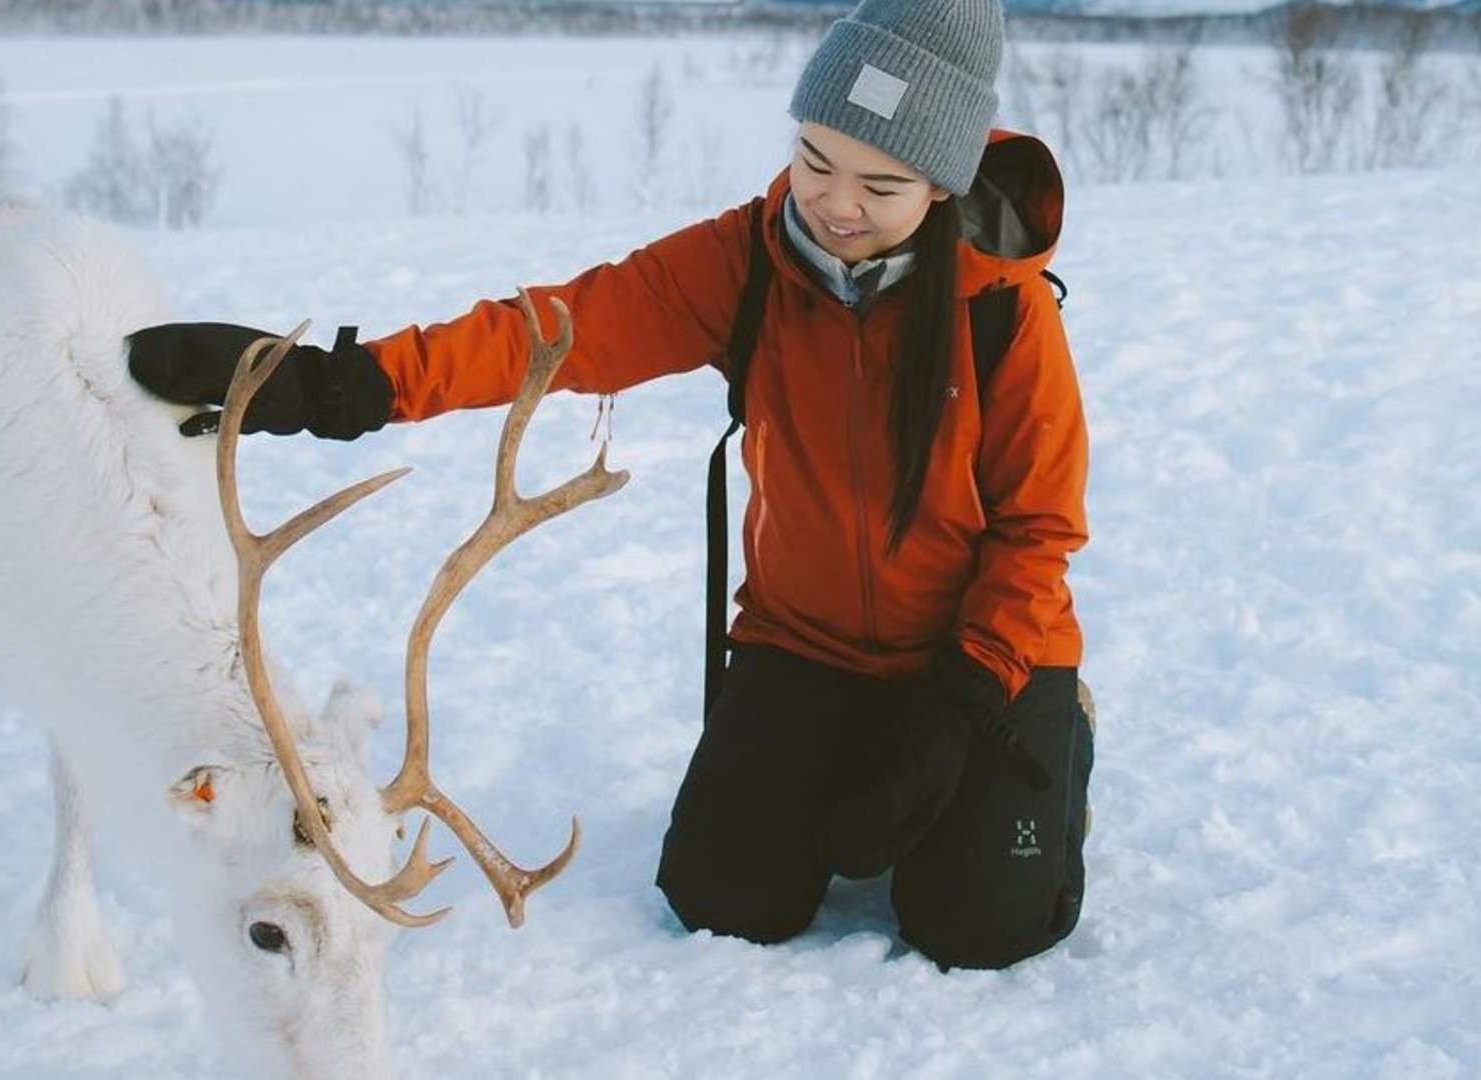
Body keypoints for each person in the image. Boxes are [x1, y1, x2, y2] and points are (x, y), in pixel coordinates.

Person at [127, 0, 1094, 971]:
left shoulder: (1003, 314)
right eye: (814, 161)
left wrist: (962, 704)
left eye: (881, 185)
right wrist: (349, 383)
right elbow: (559, 328)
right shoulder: (747, 262)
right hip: (810, 646)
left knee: (978, 927)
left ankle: (1055, 749)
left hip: (981, 657)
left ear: (941, 183)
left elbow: (1039, 529)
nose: (837, 204)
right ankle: (851, 757)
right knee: (725, 900)